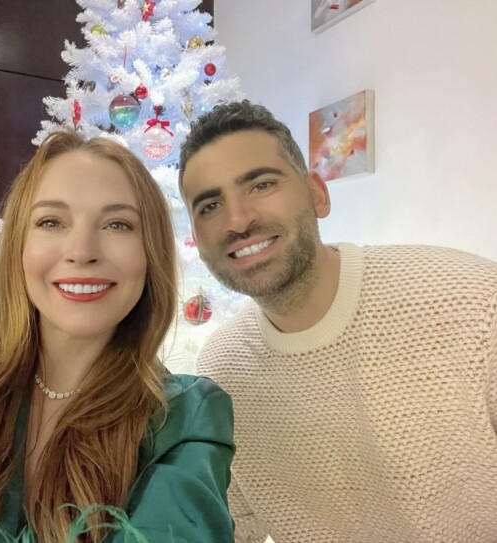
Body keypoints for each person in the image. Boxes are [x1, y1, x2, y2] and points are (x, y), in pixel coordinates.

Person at [0, 130, 235, 543]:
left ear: (152, 252)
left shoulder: (185, 417)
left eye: (117, 224)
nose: (81, 251)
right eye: (51, 222)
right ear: (19, 246)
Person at [178, 100, 497, 543]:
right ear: (197, 240)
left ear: (317, 194)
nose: (238, 220)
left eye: (261, 185)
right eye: (210, 206)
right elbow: (236, 528)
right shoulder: (222, 368)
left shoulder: (475, 305)